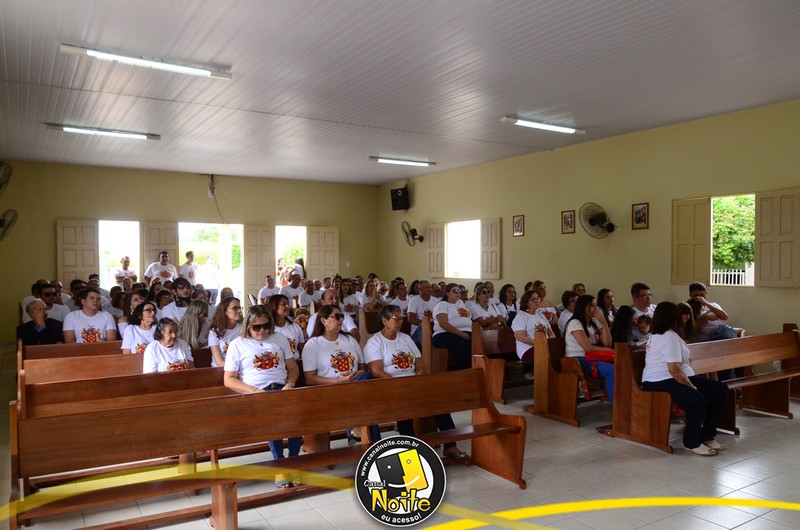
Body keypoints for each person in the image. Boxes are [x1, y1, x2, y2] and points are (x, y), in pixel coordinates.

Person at [365, 305, 469, 460]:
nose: (400, 322)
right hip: (390, 386)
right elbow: (376, 371)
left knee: (438, 401)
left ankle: (450, 445)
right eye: (396, 318)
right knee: (404, 406)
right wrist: (399, 385)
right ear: (385, 321)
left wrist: (417, 381)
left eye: (401, 319)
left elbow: (420, 364)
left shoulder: (405, 338)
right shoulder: (375, 342)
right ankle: (409, 448)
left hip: (413, 383)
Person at [223, 305, 300, 488]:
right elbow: (229, 380)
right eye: (257, 327)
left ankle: (295, 462)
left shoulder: (279, 338)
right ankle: (280, 464)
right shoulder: (237, 344)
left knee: (296, 417)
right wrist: (255, 391)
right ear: (248, 326)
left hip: (282, 388)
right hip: (255, 392)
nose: (262, 331)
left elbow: (293, 368)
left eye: (266, 326)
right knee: (273, 417)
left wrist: (290, 384)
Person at [642, 302, 729, 456]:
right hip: (659, 380)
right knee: (696, 399)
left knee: (720, 390)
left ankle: (707, 436)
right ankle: (691, 442)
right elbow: (674, 370)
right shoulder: (667, 337)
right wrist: (690, 386)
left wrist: (690, 382)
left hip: (673, 377)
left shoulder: (666, 334)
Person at [565, 294, 614, 403]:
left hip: (592, 358)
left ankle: (623, 398)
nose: (595, 309)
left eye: (596, 305)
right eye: (592, 305)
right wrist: (611, 351)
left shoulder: (594, 322)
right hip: (579, 360)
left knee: (622, 365)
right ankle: (616, 404)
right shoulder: (575, 323)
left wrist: (603, 322)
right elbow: (588, 348)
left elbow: (607, 343)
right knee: (612, 370)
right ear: (583, 307)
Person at [512, 290, 555, 378]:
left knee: (557, 351)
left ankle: (554, 377)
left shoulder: (541, 315)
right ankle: (540, 377)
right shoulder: (521, 316)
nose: (536, 301)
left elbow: (551, 333)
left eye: (537, 298)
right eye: (533, 299)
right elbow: (521, 337)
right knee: (546, 353)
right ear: (526, 302)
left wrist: (552, 344)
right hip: (528, 348)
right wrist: (540, 344)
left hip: (545, 346)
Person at [432, 283, 473, 369]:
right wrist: (461, 334)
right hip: (445, 334)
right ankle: (465, 372)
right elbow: (443, 323)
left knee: (482, 344)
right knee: (465, 347)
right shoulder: (442, 304)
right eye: (455, 291)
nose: (458, 293)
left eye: (459, 291)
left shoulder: (461, 304)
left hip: (465, 333)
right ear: (447, 293)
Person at [208, 297, 243, 367]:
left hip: (240, 367)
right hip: (221, 368)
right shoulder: (214, 332)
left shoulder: (243, 328)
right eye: (235, 308)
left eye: (240, 308)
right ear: (225, 311)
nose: (239, 311)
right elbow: (219, 362)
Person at [268, 294, 305, 359]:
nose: (287, 306)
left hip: (295, 361)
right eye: (283, 304)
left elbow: (301, 348)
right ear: (274, 306)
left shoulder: (295, 326)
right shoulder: (268, 328)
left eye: (288, 303)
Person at [407, 280, 439, 345]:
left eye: (430, 287)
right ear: (420, 289)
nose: (429, 289)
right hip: (417, 331)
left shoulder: (436, 301)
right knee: (423, 328)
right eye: (427, 287)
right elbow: (410, 319)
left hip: (433, 328)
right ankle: (427, 351)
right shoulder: (414, 300)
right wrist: (427, 325)